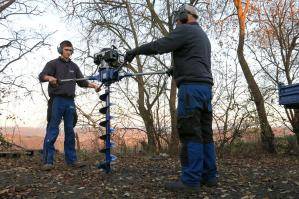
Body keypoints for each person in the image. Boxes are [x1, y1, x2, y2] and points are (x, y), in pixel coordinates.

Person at [124, 4, 217, 192]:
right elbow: (195, 59)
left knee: (190, 133)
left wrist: (135, 51)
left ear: (185, 15)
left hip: (191, 89)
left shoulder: (185, 30)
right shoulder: (201, 35)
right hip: (205, 89)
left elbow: (160, 45)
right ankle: (209, 176)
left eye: (177, 18)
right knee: (205, 135)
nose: (176, 22)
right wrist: (176, 69)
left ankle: (190, 181)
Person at [39, 40, 100, 171]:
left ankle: (72, 161)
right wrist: (50, 78)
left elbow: (82, 82)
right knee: (53, 129)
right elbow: (41, 76)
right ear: (61, 50)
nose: (69, 52)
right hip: (57, 100)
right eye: (66, 50)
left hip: (70, 101)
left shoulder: (74, 66)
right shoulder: (52, 64)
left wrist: (93, 85)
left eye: (71, 50)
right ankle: (47, 161)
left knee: (70, 131)